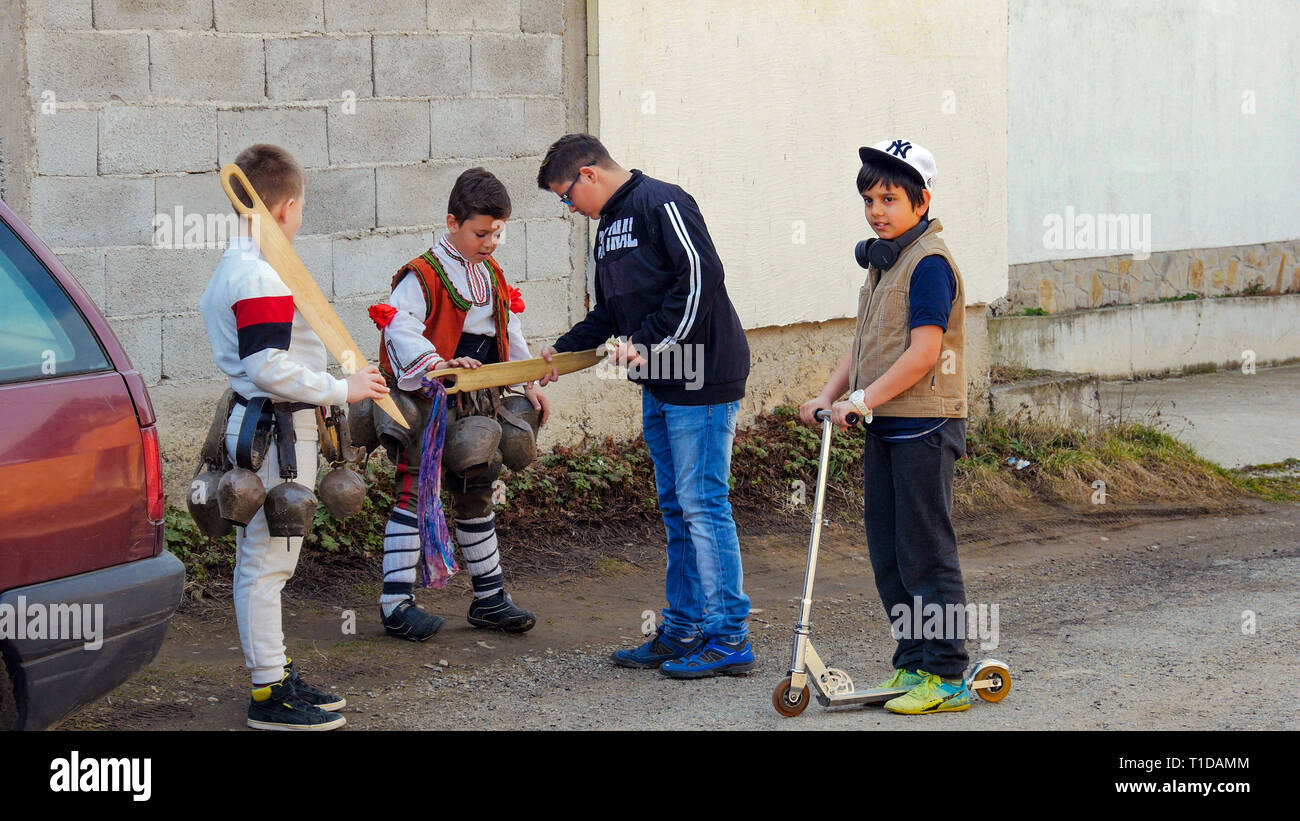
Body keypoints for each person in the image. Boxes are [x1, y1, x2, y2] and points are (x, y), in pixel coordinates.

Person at [535, 133, 753, 678]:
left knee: (704, 504)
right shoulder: (607, 231)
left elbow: (702, 280)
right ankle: (683, 630)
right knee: (679, 509)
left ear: (588, 175)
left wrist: (652, 345)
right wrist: (561, 350)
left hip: (702, 376)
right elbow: (609, 313)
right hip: (659, 384)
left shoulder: (664, 202)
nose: (569, 209)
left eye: (566, 197)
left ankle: (729, 636)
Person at [199, 143, 390, 730]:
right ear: (284, 207)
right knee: (267, 565)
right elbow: (266, 367)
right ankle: (267, 694)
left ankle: (275, 674)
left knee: (265, 562)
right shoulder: (257, 272)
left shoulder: (241, 264)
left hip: (266, 424)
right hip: (275, 429)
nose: (302, 215)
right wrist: (343, 388)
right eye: (301, 205)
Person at [799, 138, 972, 714]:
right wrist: (827, 396)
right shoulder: (885, 260)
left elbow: (924, 353)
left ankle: (945, 676)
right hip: (886, 425)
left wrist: (862, 401)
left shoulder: (929, 264)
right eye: (870, 200)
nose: (877, 211)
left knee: (926, 552)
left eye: (890, 199)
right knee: (891, 555)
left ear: (921, 202)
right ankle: (913, 662)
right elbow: (864, 345)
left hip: (924, 425)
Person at [374, 167, 549, 640]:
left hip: (479, 406)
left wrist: (529, 379)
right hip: (427, 403)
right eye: (480, 232)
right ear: (452, 222)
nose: (490, 241)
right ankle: (396, 603)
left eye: (496, 232)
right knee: (415, 493)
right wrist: (440, 363)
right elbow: (399, 330)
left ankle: (489, 599)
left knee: (477, 490)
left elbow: (507, 333)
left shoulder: (491, 272)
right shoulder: (422, 274)